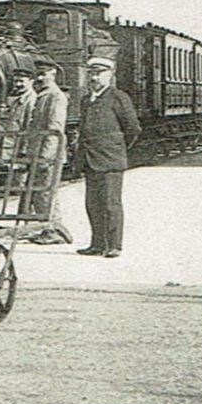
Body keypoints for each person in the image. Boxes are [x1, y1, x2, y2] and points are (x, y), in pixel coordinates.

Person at [74, 56, 140, 259]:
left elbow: (133, 129)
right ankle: (97, 243)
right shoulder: (86, 100)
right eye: (91, 73)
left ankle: (114, 245)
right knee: (92, 204)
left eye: (99, 73)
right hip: (89, 159)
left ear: (110, 75)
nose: (94, 77)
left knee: (111, 204)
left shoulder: (119, 97)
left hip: (110, 159)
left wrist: (116, 148)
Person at [25, 60, 71, 244]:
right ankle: (49, 228)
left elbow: (55, 129)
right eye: (38, 73)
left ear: (53, 73)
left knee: (46, 192)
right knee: (41, 191)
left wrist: (45, 156)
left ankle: (53, 231)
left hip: (48, 153)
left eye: (44, 73)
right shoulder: (44, 94)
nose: (40, 77)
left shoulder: (55, 96)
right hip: (38, 151)